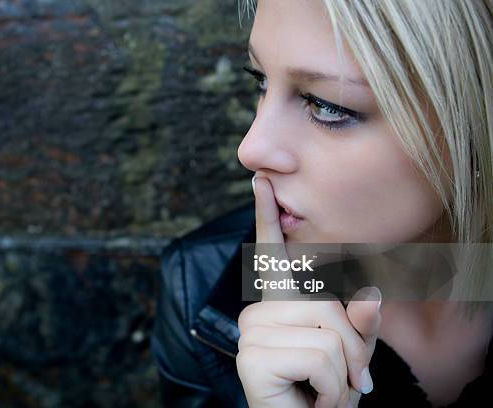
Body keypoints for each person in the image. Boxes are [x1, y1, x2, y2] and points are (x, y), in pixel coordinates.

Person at [151, 0, 492, 407]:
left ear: (475, 125)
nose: (251, 148)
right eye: (261, 81)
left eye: (327, 106)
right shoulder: (202, 288)